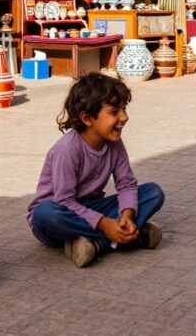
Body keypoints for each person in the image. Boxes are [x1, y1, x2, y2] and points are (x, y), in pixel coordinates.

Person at [28, 73, 164, 268]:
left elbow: (126, 184)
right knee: (44, 213)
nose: (124, 117)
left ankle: (98, 244)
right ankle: (128, 237)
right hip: (61, 216)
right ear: (87, 118)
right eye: (114, 111)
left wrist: (127, 216)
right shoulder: (67, 149)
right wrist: (106, 224)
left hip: (93, 209)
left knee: (153, 193)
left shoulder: (114, 142)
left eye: (124, 109)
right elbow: (64, 201)